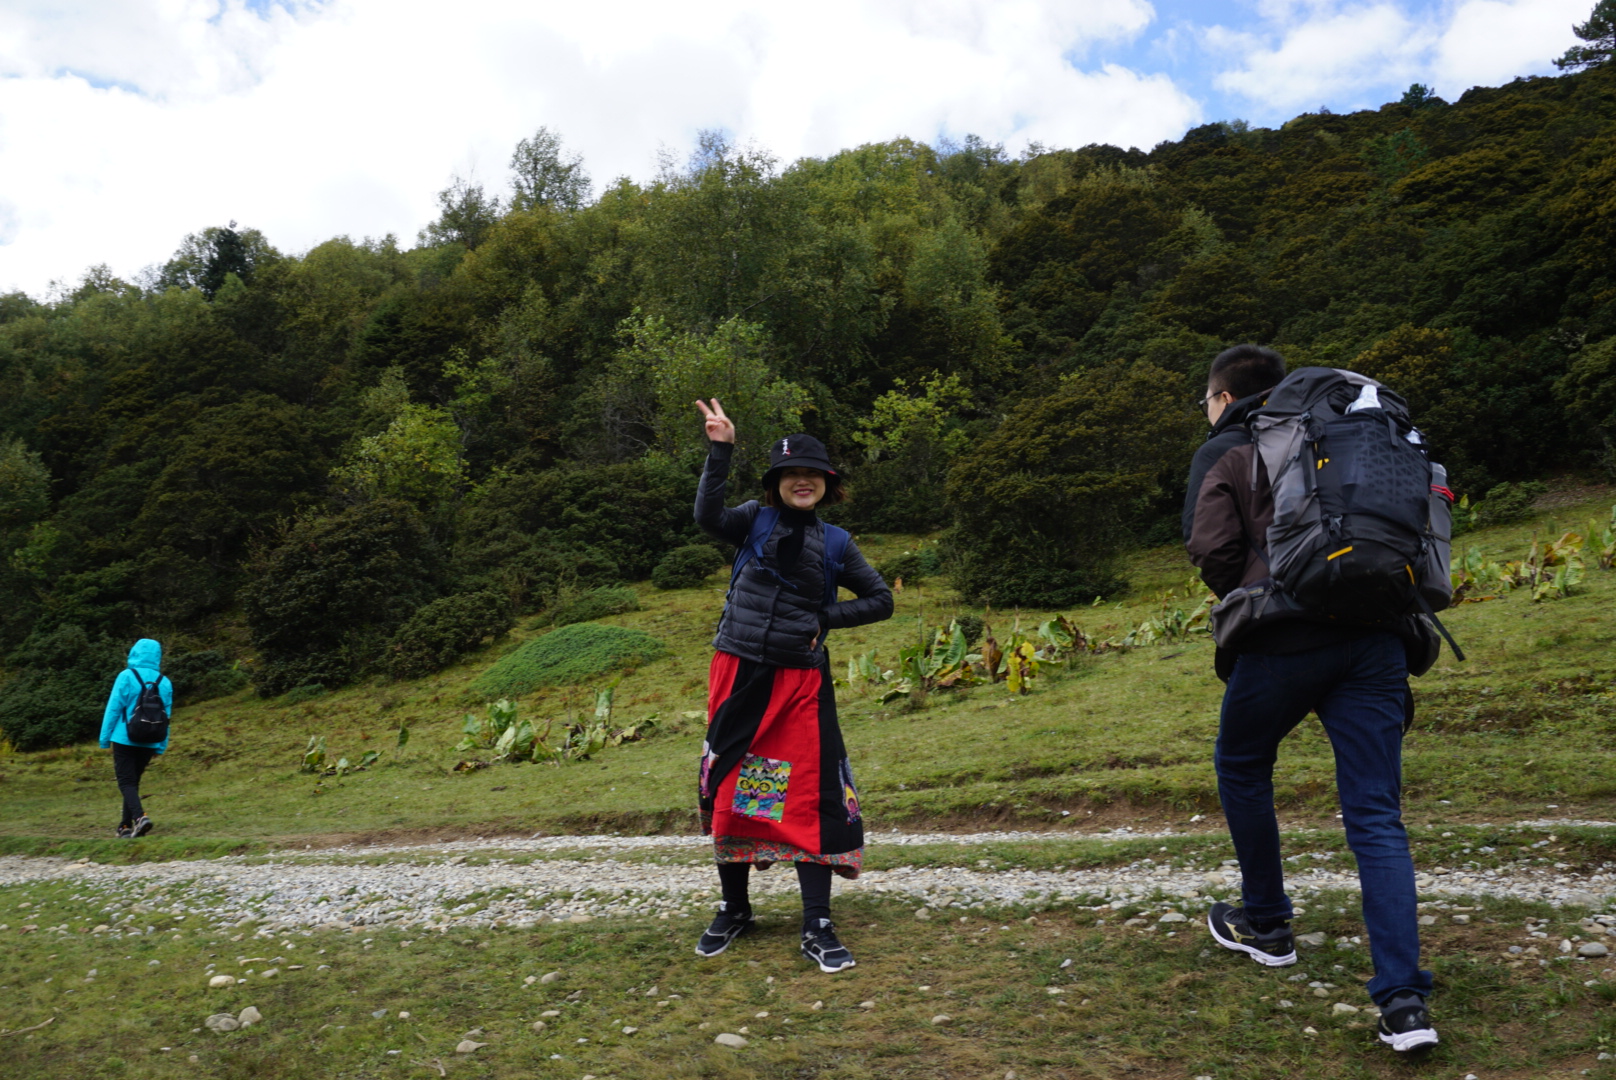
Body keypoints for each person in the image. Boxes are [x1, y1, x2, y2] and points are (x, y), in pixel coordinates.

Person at [1183, 345, 1438, 1055]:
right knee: (1376, 815)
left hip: (1285, 636)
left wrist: (1259, 591)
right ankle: (1404, 1001)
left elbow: (1211, 550)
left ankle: (1266, 922)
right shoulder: (1354, 438)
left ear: (1225, 399)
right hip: (1381, 635)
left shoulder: (1231, 452)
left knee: (1241, 762)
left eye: (1205, 400)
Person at [691, 399, 893, 973]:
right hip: (735, 673)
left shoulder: (837, 544)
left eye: (813, 475)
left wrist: (822, 618)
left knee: (805, 795)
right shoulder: (750, 518)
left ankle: (817, 923)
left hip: (800, 685)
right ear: (776, 483)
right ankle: (735, 908)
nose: (801, 481)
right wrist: (720, 449)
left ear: (826, 485)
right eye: (789, 474)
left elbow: (882, 601)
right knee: (731, 789)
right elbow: (706, 515)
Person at [98, 638, 174, 839]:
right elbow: (167, 717)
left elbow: (113, 709)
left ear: (134, 652)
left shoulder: (126, 676)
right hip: (150, 740)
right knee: (132, 782)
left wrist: (105, 738)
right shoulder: (164, 682)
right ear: (157, 656)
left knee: (126, 782)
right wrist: (161, 745)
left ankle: (140, 818)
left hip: (125, 738)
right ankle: (124, 827)